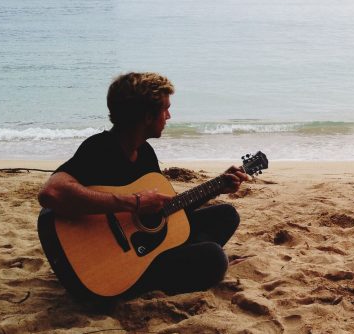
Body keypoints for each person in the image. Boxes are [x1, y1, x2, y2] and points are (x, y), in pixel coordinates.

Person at [38, 72, 248, 298]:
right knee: (214, 258)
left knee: (227, 215)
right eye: (165, 109)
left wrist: (218, 186)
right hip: (109, 265)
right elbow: (51, 193)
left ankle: (161, 266)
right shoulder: (100, 148)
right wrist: (134, 202)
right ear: (147, 116)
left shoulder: (145, 153)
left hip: (143, 250)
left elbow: (163, 214)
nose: (169, 115)